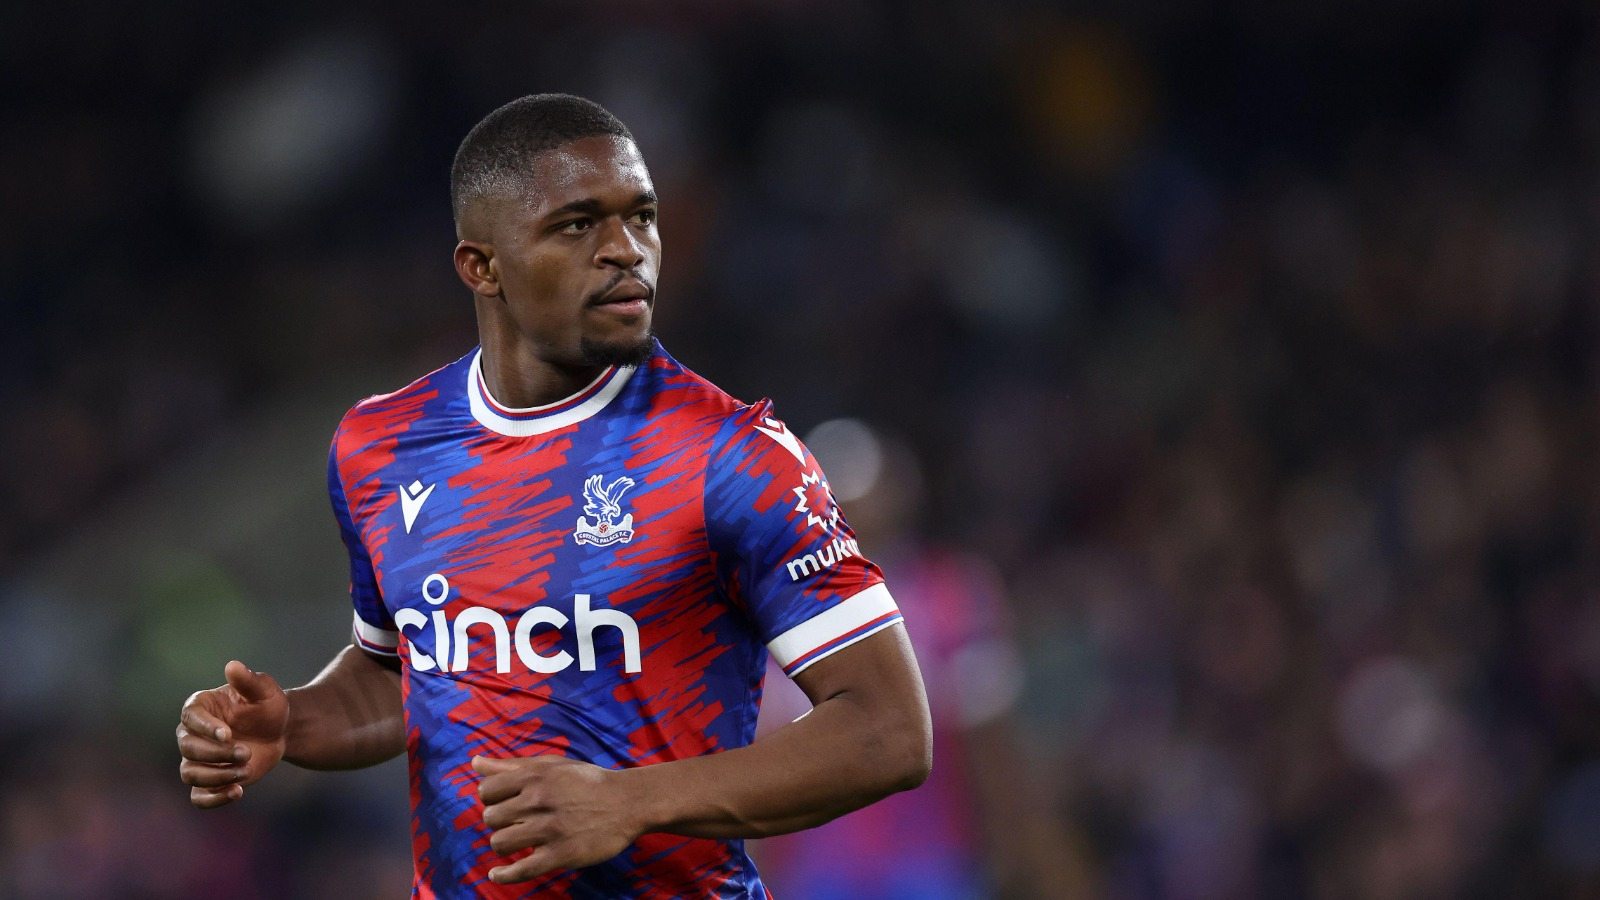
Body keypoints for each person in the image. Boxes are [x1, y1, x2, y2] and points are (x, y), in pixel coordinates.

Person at [174, 94, 932, 898]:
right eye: (577, 225)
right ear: (482, 267)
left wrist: (632, 801)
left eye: (642, 217)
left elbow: (887, 730)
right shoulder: (380, 447)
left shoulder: (730, 456)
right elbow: (402, 672)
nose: (626, 250)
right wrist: (293, 721)